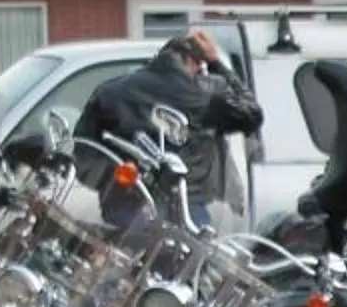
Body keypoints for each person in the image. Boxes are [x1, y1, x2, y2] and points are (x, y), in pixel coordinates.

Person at [77, 28, 263, 223]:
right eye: (200, 67)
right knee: (196, 241)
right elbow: (252, 113)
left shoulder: (110, 92)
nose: (201, 73)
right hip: (185, 208)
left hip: (124, 207)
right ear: (191, 60)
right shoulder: (203, 94)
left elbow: (82, 152)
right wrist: (215, 62)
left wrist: (118, 176)